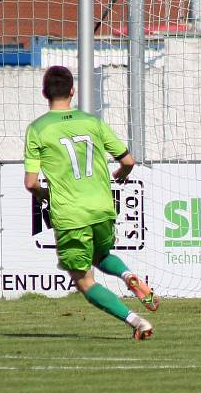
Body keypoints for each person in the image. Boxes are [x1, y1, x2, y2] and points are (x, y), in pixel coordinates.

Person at [23, 65, 158, 339]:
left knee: (84, 281)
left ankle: (136, 321)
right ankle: (128, 275)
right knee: (101, 255)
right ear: (72, 91)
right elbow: (128, 160)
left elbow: (30, 182)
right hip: (102, 208)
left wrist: (44, 195)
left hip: (71, 214)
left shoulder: (37, 129)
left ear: (44, 93)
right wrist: (123, 172)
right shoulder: (92, 122)